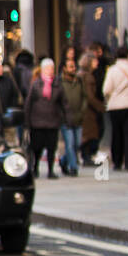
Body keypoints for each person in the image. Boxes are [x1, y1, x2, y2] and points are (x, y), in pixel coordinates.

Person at [102, 44, 128, 172]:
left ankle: (117, 161)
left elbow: (106, 89)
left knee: (117, 134)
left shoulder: (113, 70)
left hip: (116, 106)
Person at [24, 56, 64, 178]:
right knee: (36, 148)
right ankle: (34, 167)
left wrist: (66, 117)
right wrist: (27, 122)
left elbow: (63, 102)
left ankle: (50, 170)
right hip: (37, 122)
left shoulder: (57, 84)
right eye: (47, 68)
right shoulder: (36, 84)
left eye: (52, 68)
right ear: (42, 70)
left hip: (52, 121)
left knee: (52, 148)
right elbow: (28, 103)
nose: (50, 71)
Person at [57, 48, 84, 176]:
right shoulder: (59, 82)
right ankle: (73, 168)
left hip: (78, 117)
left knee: (77, 144)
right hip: (65, 118)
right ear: (64, 68)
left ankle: (63, 161)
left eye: (74, 66)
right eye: (70, 67)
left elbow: (84, 97)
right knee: (70, 144)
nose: (73, 69)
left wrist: (82, 110)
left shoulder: (79, 81)